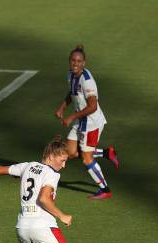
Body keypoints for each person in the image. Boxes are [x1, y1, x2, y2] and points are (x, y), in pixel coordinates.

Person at [55, 44, 119, 199]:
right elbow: (72, 92)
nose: (75, 64)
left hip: (91, 123)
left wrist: (71, 117)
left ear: (84, 63)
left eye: (79, 61)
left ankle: (105, 189)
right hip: (81, 120)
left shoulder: (87, 81)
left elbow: (92, 106)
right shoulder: (71, 74)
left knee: (86, 158)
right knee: (71, 152)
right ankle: (106, 152)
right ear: (69, 61)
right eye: (73, 61)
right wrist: (62, 107)